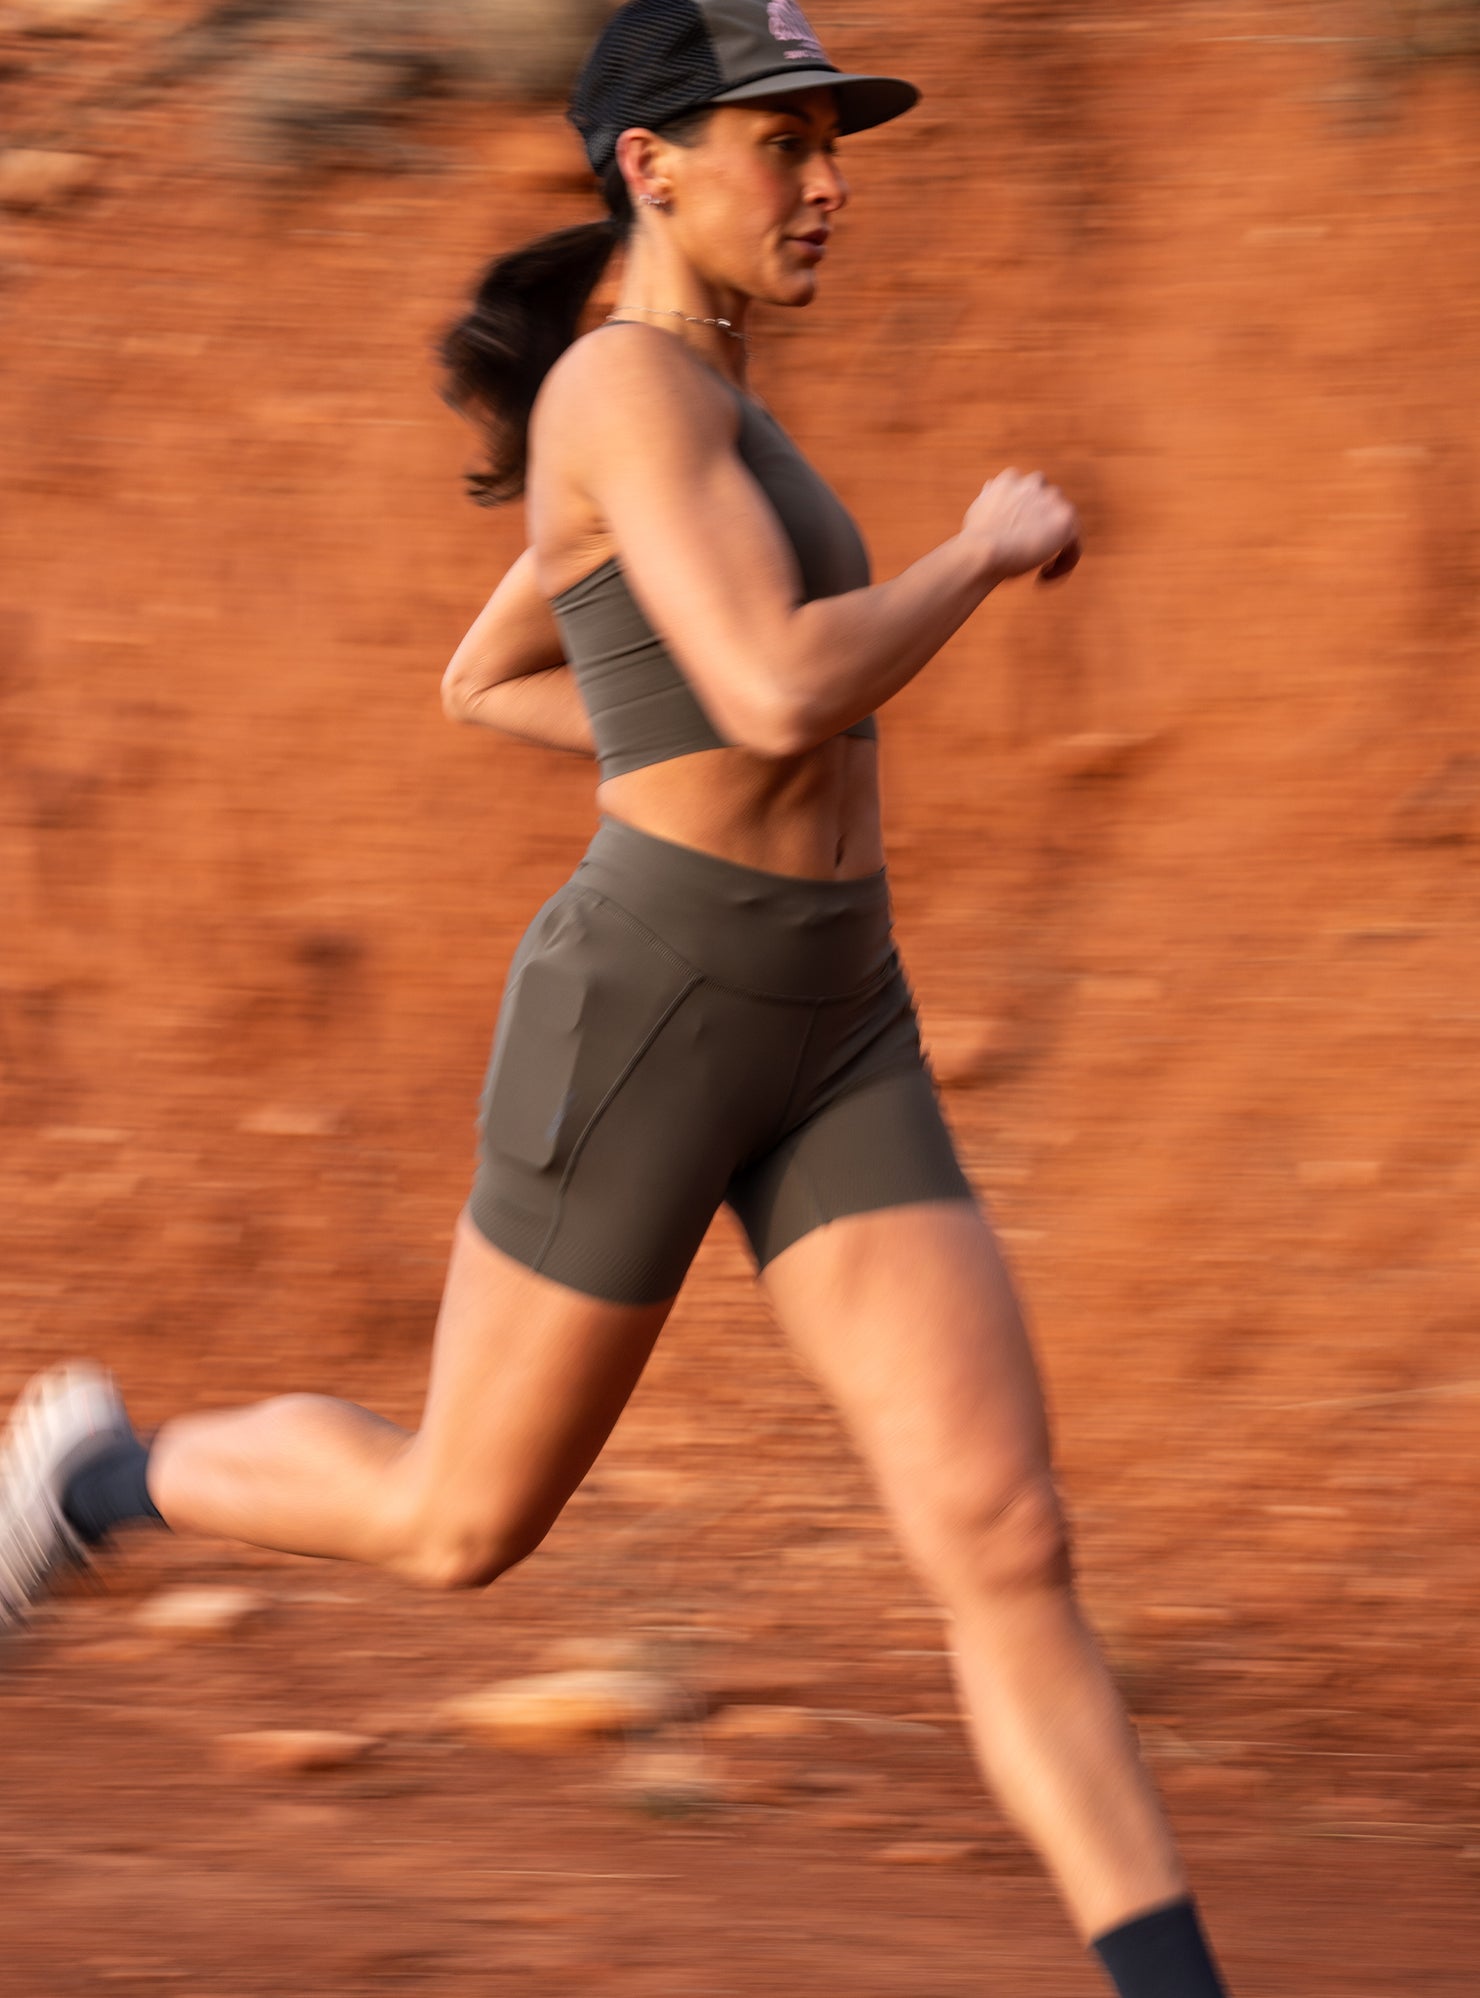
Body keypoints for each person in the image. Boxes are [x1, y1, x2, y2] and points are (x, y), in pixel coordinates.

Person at [0, 5, 1233, 1993]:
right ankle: (96, 1477)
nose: (825, 183)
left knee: (1003, 1536)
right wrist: (978, 551)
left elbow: (488, 673)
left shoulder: (705, 402)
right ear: (652, 166)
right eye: (781, 142)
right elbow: (774, 686)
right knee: (456, 1522)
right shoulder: (621, 390)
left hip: (835, 1012)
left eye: (833, 144)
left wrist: (675, 735)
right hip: (658, 997)